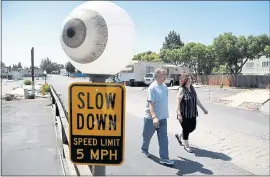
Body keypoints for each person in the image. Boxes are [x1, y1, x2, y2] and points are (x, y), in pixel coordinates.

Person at [141, 68, 174, 165]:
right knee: (146, 137)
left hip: (163, 118)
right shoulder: (152, 88)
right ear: (157, 75)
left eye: (165, 74)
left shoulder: (164, 86)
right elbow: (151, 104)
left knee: (164, 139)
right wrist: (154, 117)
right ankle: (144, 149)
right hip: (151, 119)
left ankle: (164, 158)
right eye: (163, 74)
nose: (165, 76)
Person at [175, 73, 208, 153]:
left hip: (192, 113)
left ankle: (180, 136)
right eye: (188, 79)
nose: (190, 80)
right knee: (186, 129)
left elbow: (196, 100)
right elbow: (178, 102)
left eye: (190, 79)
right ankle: (186, 146)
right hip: (184, 114)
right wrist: (179, 114)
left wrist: (203, 109)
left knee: (192, 128)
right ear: (184, 80)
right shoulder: (181, 89)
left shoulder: (192, 88)